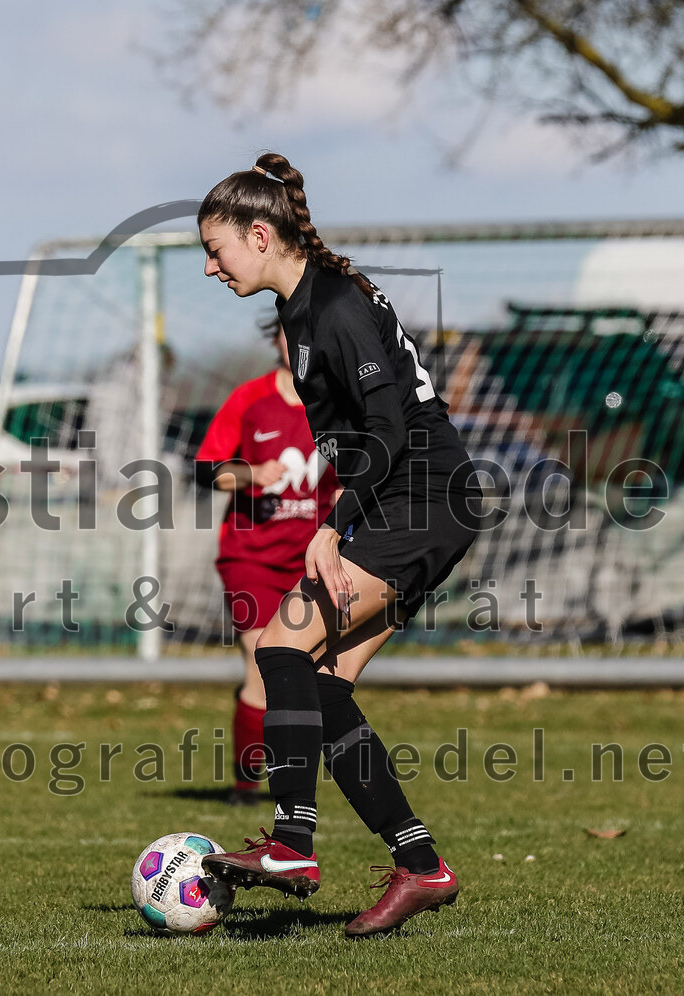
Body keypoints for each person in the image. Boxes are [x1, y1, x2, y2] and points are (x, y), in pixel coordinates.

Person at [196, 153, 481, 939]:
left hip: (423, 500)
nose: (211, 268)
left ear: (259, 234)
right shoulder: (300, 309)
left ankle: (292, 841)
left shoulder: (334, 305)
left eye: (216, 250)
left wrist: (333, 524)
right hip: (411, 505)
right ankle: (422, 866)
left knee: (281, 650)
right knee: (322, 684)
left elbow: (391, 428)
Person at [195, 317, 340, 807]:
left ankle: (298, 784)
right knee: (261, 661)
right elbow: (206, 472)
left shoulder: (337, 404)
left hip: (313, 561)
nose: (297, 339)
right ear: (274, 339)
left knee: (312, 672)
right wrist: (254, 471)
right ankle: (244, 782)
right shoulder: (250, 400)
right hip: (250, 556)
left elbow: (356, 476)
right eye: (286, 331)